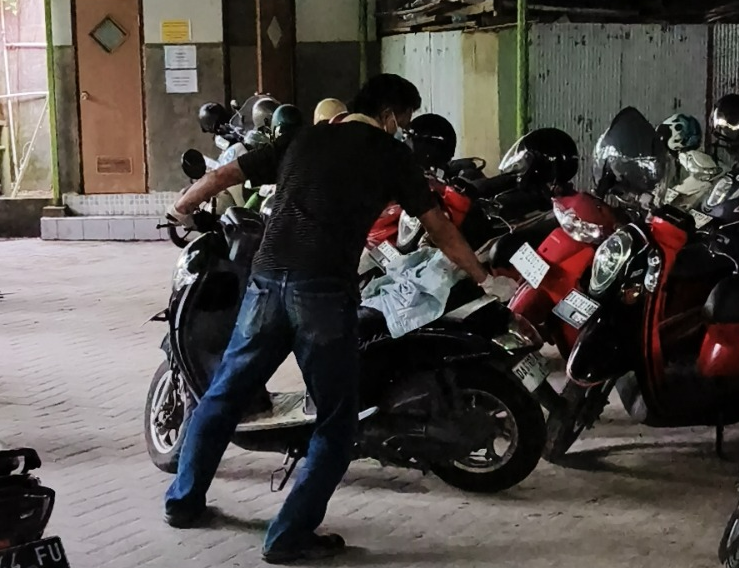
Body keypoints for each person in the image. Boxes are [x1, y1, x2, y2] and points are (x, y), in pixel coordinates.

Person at [162, 73, 518, 565]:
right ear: (389, 115)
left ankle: (182, 502)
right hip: (322, 294)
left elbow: (225, 174)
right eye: (403, 120)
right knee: (336, 420)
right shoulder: (390, 154)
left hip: (266, 282)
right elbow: (438, 227)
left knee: (225, 394)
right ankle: (288, 536)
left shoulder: (303, 138)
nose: (401, 129)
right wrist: (482, 276)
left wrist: (181, 207)